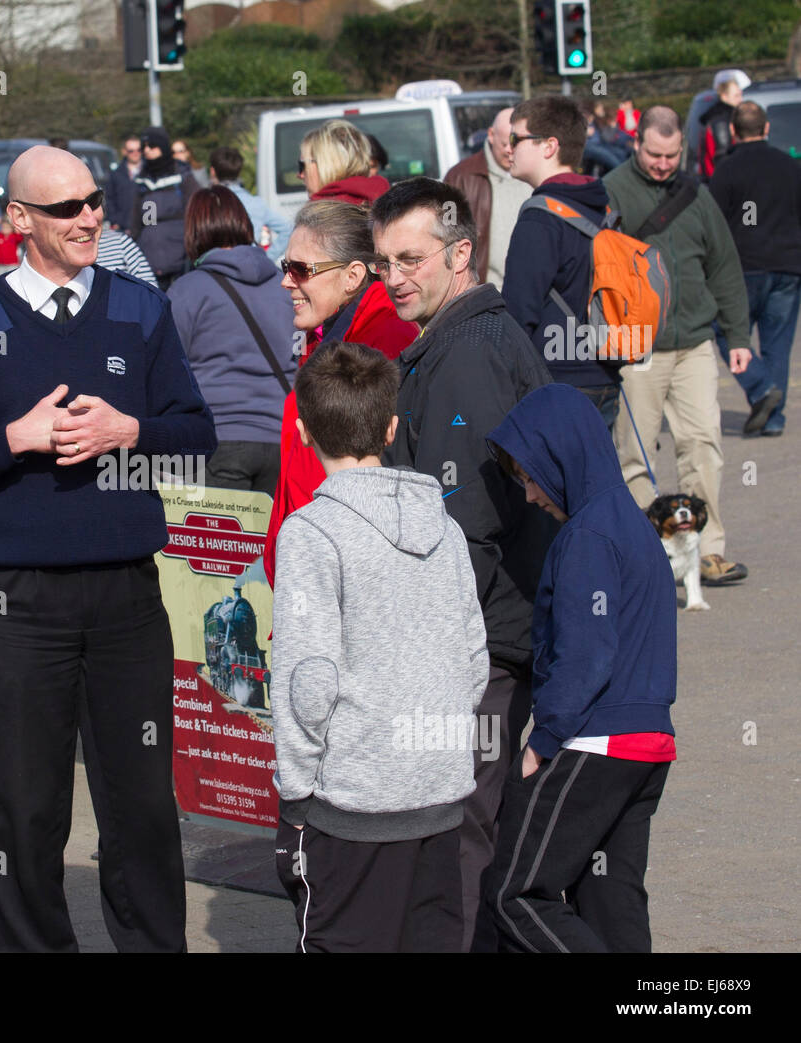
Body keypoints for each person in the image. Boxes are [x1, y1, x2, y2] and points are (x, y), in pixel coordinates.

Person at [0, 145, 216, 952]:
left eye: (94, 202)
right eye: (68, 207)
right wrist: (12, 437)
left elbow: (199, 437)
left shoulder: (141, 311)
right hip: (21, 602)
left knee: (142, 803)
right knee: (29, 806)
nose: (89, 218)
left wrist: (130, 428)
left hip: (128, 597)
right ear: (18, 220)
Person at [371, 177, 555, 950]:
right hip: (490, 633)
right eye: (383, 262)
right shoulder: (460, 340)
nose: (395, 277)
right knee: (476, 829)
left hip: (480, 641)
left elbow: (463, 528)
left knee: (461, 841)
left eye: (411, 258)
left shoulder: (467, 355)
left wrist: (429, 656)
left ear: (460, 252)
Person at [271, 340, 486, 952]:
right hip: (439, 793)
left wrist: (296, 788)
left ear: (304, 429)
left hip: (353, 801)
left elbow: (307, 679)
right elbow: (474, 658)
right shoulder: (443, 524)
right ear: (392, 426)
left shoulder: (311, 531)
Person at [484, 383, 676, 952]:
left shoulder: (589, 534)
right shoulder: (632, 523)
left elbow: (587, 654)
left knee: (513, 894)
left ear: (563, 457)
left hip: (597, 741)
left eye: (532, 475)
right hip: (649, 741)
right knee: (609, 898)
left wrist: (542, 739)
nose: (529, 494)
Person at [604, 106, 752, 587]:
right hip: (636, 347)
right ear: (636, 144)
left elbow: (725, 267)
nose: (663, 163)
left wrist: (739, 336)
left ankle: (707, 550)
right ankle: (647, 554)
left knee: (703, 444)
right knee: (634, 454)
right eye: (654, 153)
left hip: (693, 343)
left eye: (672, 155)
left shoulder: (698, 195)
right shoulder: (610, 192)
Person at [262, 200, 418, 585]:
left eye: (301, 270)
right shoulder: (328, 338)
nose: (286, 281)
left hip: (343, 574)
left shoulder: (381, 344)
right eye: (286, 267)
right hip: (316, 558)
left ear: (352, 276)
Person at [167, 186, 294, 495]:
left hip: (219, 441)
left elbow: (168, 373)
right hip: (283, 440)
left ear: (194, 231)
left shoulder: (186, 292)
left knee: (221, 543)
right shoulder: (288, 288)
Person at [503, 95, 622, 425]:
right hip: (604, 374)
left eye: (516, 138)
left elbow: (518, 311)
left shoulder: (540, 217)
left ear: (549, 146)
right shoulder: (602, 207)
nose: (508, 148)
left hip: (556, 379)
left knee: (552, 478)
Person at [709, 100, 798, 438]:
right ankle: (773, 418)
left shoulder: (727, 170)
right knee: (778, 343)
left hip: (742, 268)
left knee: (728, 332)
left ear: (732, 130)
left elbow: (714, 224)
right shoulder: (791, 167)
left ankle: (759, 386)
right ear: (767, 128)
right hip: (787, 266)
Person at [443, 107, 531, 290]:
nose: (510, 151)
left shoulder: (534, 176)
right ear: (491, 135)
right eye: (505, 144)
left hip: (528, 291)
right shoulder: (460, 177)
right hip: (484, 292)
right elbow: (445, 237)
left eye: (516, 144)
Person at [127, 126, 198, 290]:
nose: (146, 151)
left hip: (181, 259)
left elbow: (195, 212)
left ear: (163, 147)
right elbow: (139, 220)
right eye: (144, 147)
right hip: (150, 259)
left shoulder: (183, 175)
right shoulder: (143, 179)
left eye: (151, 146)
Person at [208, 146, 292, 264]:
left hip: (218, 265)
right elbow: (287, 228)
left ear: (212, 171)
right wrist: (267, 257)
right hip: (250, 263)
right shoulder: (255, 202)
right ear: (239, 170)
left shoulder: (209, 202)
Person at [299, 119, 390, 207]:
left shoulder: (321, 217)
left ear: (327, 164)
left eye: (302, 165)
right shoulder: (390, 205)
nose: (300, 175)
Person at [698, 69, 749, 181]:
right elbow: (723, 155)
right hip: (719, 180)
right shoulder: (721, 120)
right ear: (724, 96)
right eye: (736, 96)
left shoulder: (724, 116)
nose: (740, 100)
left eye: (740, 95)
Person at [106, 136, 142, 233]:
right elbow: (109, 199)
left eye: (139, 150)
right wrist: (115, 221)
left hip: (145, 227)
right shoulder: (115, 174)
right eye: (131, 151)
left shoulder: (149, 172)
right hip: (123, 228)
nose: (135, 153)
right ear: (124, 151)